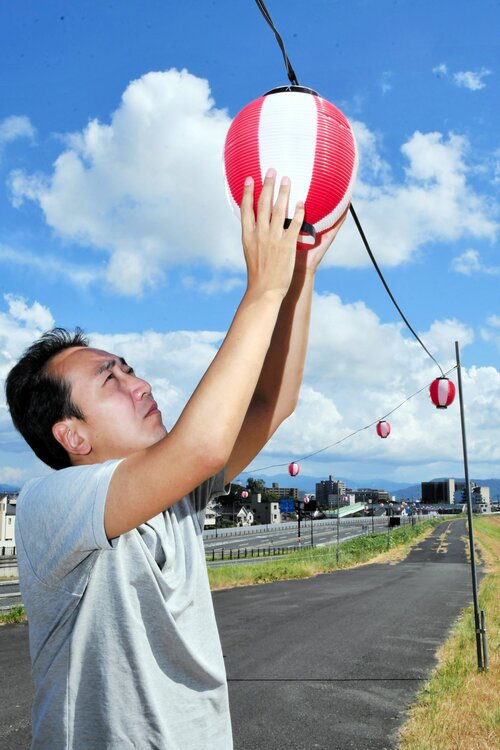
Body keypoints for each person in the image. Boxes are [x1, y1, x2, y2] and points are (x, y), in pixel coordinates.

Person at [6, 170, 345, 750]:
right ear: (73, 436)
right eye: (110, 379)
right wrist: (262, 289)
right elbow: (203, 444)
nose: (139, 383)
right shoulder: (51, 504)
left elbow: (271, 402)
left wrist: (299, 278)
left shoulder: (179, 490)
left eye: (130, 367)